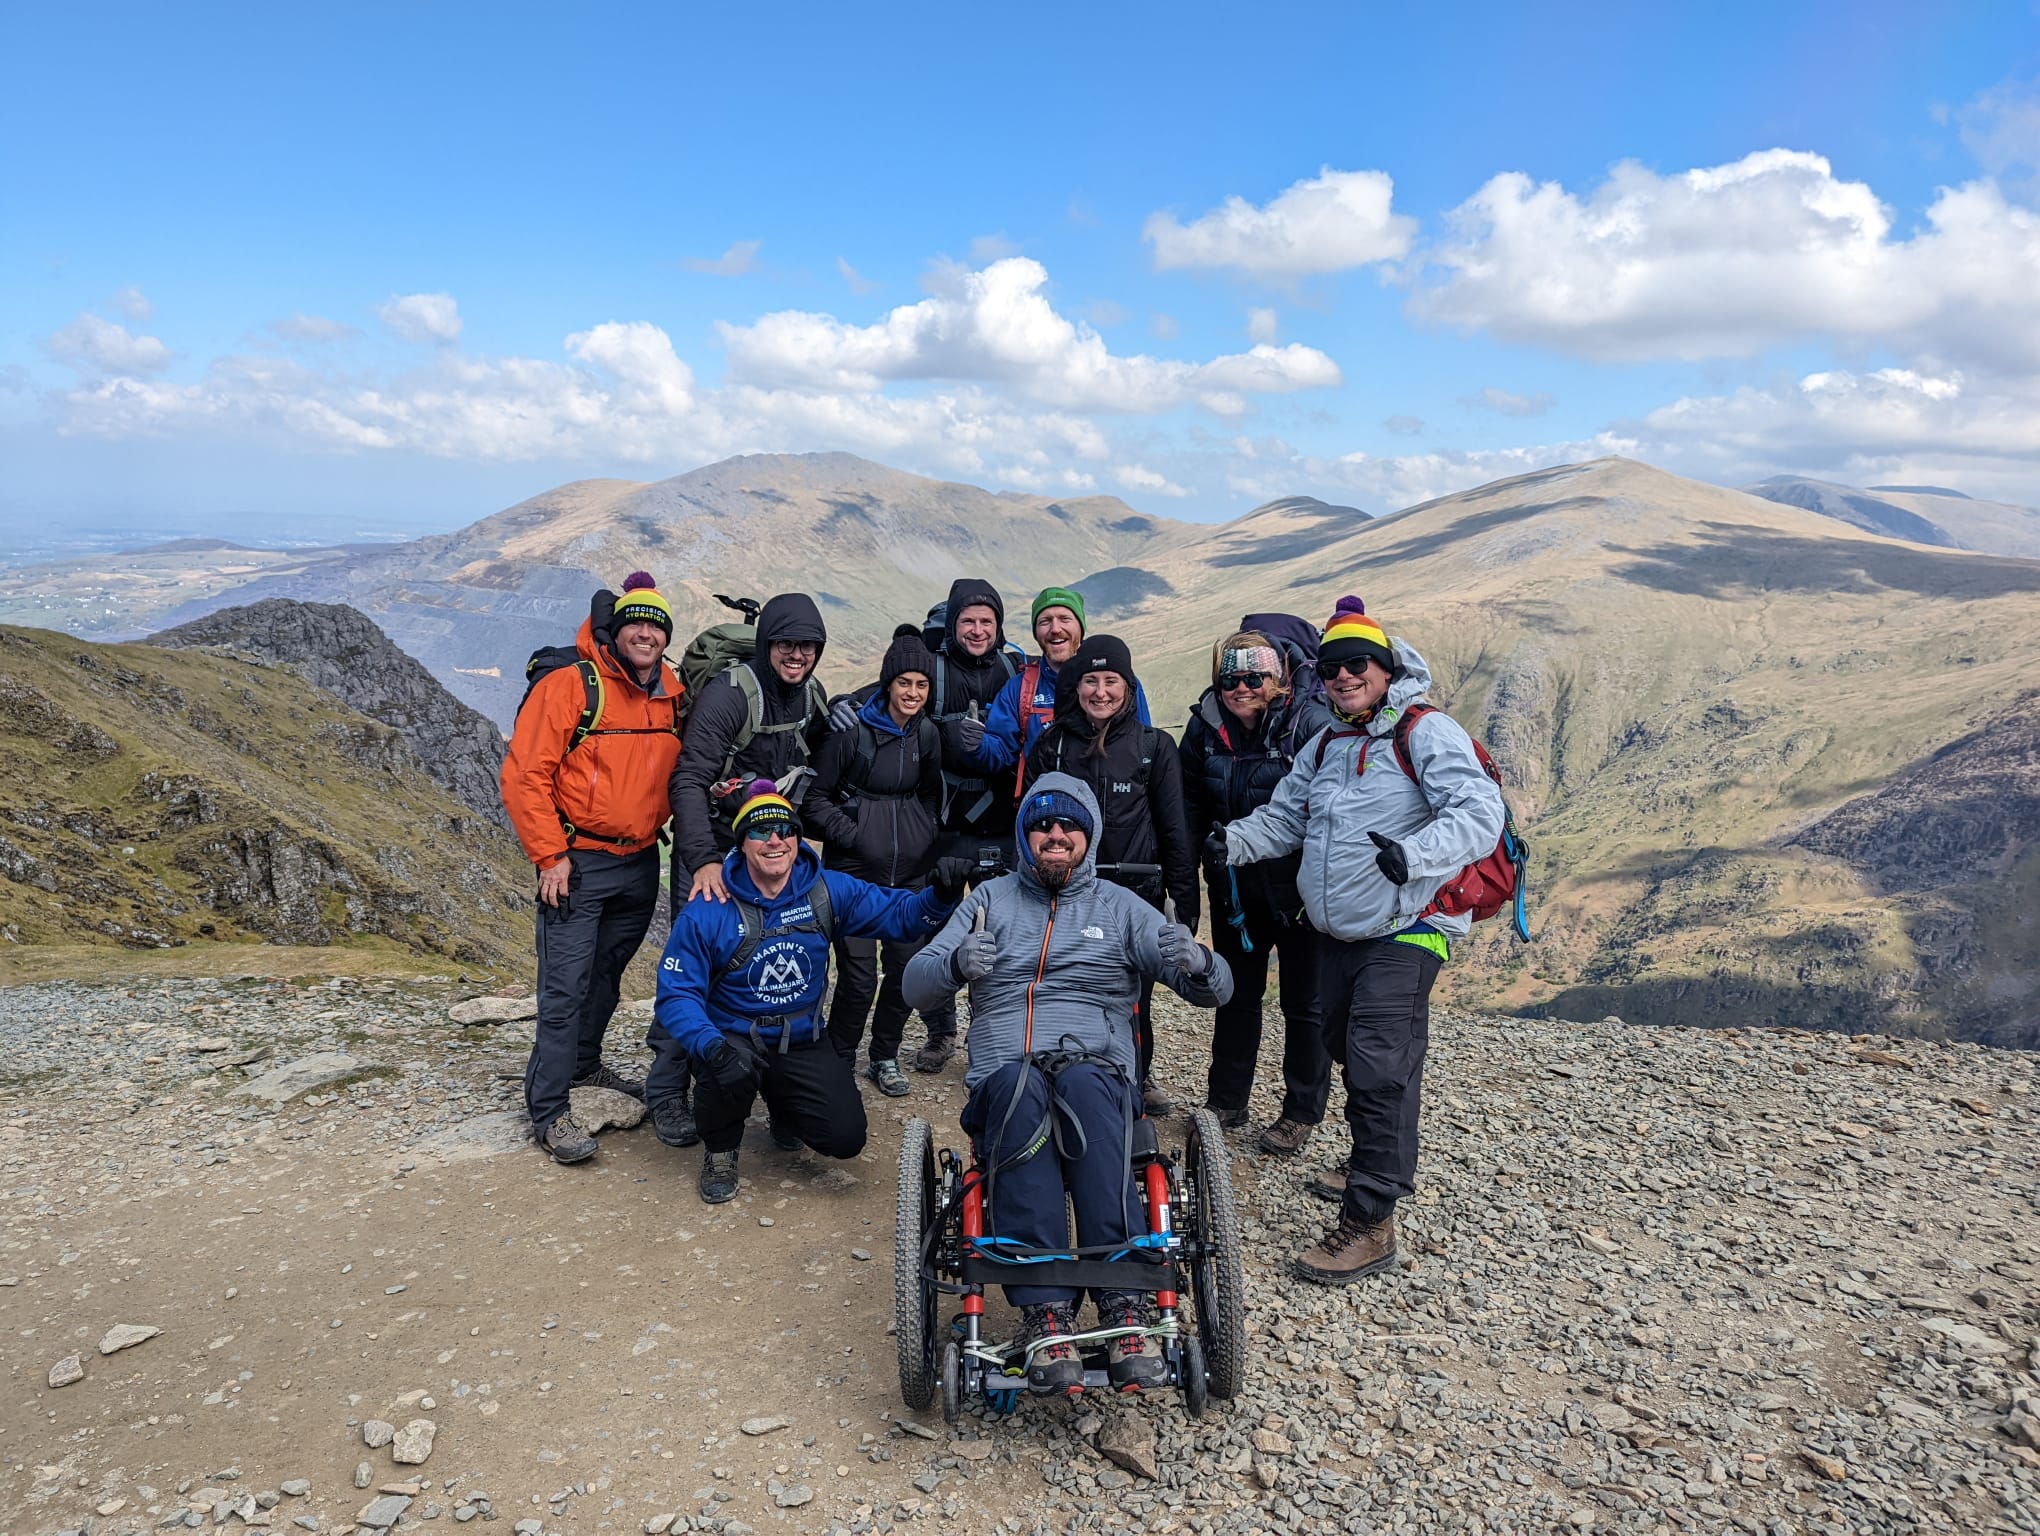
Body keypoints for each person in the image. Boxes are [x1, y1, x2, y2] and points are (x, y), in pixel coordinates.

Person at [1208, 597, 1504, 1284]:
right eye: (1333, 666)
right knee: (1351, 1049)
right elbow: (1286, 819)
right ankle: (1372, 1160)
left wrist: (1416, 853)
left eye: (1359, 664)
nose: (1345, 676)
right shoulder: (1329, 744)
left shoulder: (1425, 732)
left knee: (1376, 1061)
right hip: (1341, 929)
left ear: (1386, 667)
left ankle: (1371, 1222)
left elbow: (1478, 812)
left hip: (1409, 927)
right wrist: (1236, 843)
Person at [903, 776, 1232, 1394]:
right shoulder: (988, 902)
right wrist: (953, 963)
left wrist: (1198, 961)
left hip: (1096, 1065)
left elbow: (1216, 993)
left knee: (1084, 1087)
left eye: (1069, 827)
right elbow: (915, 983)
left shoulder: (1121, 907)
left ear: (1089, 837)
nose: (1055, 836)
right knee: (1020, 1096)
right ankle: (1047, 1311)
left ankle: (1125, 1307)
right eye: (1042, 827)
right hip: (1007, 1068)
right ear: (1025, 838)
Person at [649, 781, 974, 1203]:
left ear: (798, 839)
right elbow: (676, 994)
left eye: (785, 830)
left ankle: (786, 1108)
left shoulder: (825, 890)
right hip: (733, 1036)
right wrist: (710, 1046)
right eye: (760, 831)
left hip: (798, 1038)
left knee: (845, 1137)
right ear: (742, 842)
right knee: (723, 1071)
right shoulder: (709, 907)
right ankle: (721, 1149)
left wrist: (940, 895)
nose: (774, 840)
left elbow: (901, 916)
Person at [500, 573, 684, 1165]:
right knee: (564, 985)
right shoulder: (571, 686)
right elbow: (524, 774)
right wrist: (550, 856)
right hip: (578, 862)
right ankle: (550, 1110)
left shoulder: (670, 694)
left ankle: (584, 1065)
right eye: (636, 624)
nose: (646, 635)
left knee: (607, 974)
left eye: (656, 627)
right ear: (615, 629)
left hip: (639, 862)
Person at [822, 578, 1026, 1073]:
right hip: (943, 825)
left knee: (1002, 931)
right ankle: (941, 1033)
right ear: (952, 626)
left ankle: (992, 1035)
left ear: (999, 627)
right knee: (938, 932)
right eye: (967, 622)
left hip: (997, 819)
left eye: (986, 622)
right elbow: (884, 692)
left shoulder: (1012, 669)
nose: (977, 631)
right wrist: (840, 704)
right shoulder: (930, 666)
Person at [1021, 635, 1197, 1117]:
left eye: (1111, 680)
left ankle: (1137, 1077)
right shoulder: (1052, 745)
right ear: (1076, 687)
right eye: (1090, 681)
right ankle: (1052, 1078)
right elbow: (1028, 823)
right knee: (1061, 984)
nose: (1100, 692)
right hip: (1060, 894)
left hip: (1133, 895)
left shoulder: (1153, 747)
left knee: (1133, 997)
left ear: (1128, 685)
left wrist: (1185, 908)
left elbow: (1175, 830)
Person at [1179, 625, 1336, 1150]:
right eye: (1230, 678)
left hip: (1300, 891)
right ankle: (1227, 1103)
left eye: (1254, 677)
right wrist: (1203, 861)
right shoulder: (1204, 728)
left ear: (1278, 678)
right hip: (1235, 887)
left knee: (1304, 1003)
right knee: (1236, 995)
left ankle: (1300, 1113)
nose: (1241, 688)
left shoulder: (1310, 726)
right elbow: (1190, 805)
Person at [801, 632, 944, 1096]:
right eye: (905, 682)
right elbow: (814, 799)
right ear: (887, 683)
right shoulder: (851, 733)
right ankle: (841, 1058)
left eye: (922, 685)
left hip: (910, 873)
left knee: (904, 973)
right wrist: (855, 835)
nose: (913, 693)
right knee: (859, 978)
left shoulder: (925, 734)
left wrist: (923, 832)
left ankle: (883, 1055)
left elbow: (929, 793)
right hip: (854, 874)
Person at [671, 592, 831, 905]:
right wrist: (704, 862)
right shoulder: (729, 696)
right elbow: (689, 779)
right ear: (767, 643)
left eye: (807, 645)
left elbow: (820, 762)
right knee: (700, 947)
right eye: (786, 644)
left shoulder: (812, 694)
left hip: (772, 847)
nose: (797, 655)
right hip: (718, 842)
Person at [968, 586, 1151, 788]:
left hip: (1114, 808)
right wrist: (977, 744)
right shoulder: (1020, 688)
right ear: (1036, 633)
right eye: (1045, 621)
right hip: (1044, 810)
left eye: (1065, 619)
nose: (1055, 629)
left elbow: (1144, 750)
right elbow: (1002, 752)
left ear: (1081, 628)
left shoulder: (1121, 683)